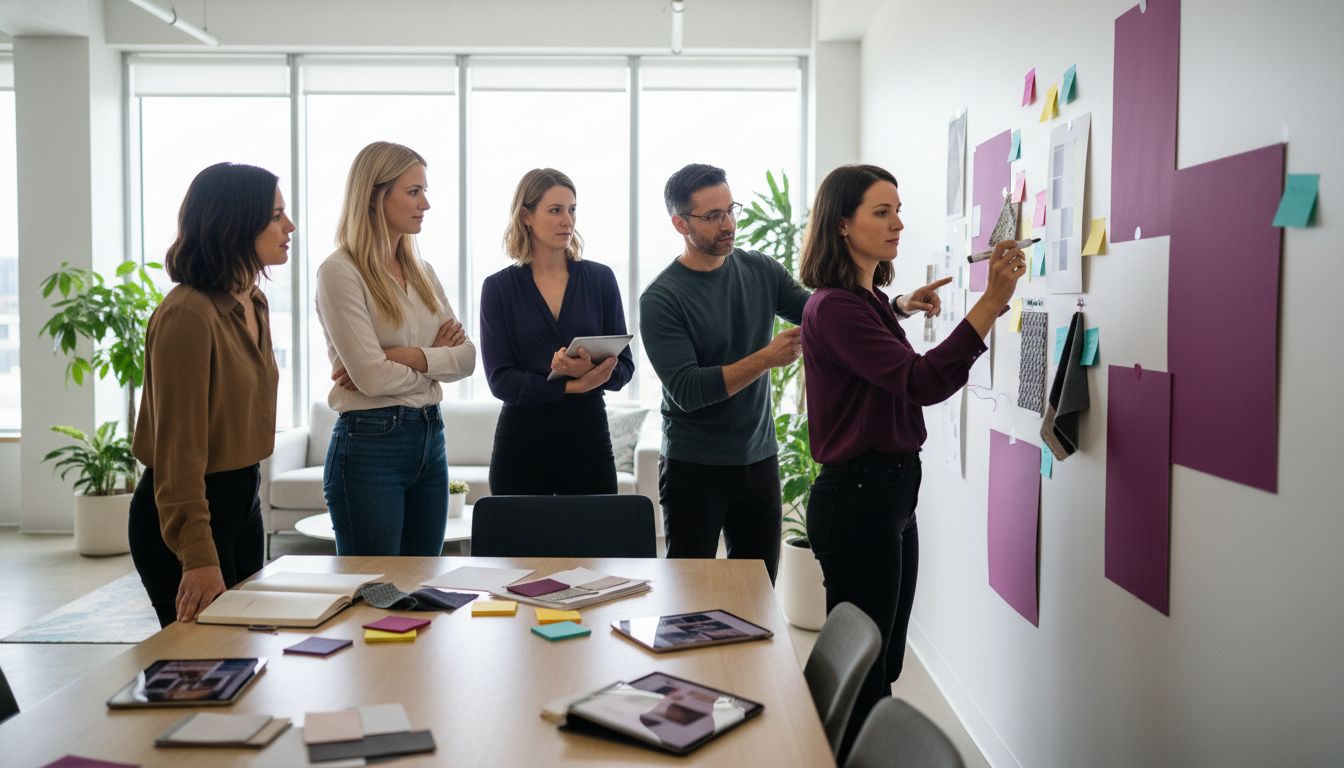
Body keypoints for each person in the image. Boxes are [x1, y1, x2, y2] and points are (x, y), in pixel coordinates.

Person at [798, 163, 1025, 757]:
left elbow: (875, 339)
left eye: (898, 209)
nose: (899, 222)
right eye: (882, 212)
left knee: (886, 658)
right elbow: (920, 381)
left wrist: (899, 306)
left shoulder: (867, 300)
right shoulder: (836, 307)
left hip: (891, 494)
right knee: (866, 677)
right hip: (859, 499)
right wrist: (991, 303)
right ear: (842, 224)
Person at [129, 162, 293, 627]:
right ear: (235, 222)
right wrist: (198, 555)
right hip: (191, 511)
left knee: (248, 655)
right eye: (276, 215)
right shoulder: (187, 316)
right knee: (201, 667)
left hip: (243, 497)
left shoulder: (252, 300)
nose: (290, 226)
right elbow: (179, 453)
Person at [639, 163, 809, 584]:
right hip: (693, 468)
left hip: (759, 460)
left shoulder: (760, 270)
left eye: (730, 210)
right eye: (713, 216)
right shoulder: (661, 298)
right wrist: (766, 358)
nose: (728, 224)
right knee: (687, 595)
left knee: (758, 591)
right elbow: (688, 389)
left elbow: (820, 312)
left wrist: (894, 305)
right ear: (680, 223)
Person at [316, 141, 475, 556]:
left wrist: (401, 355)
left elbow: (467, 358)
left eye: (424, 191)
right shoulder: (340, 272)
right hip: (370, 445)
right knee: (376, 591)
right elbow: (369, 377)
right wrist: (431, 357)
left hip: (430, 436)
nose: (426, 203)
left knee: (423, 586)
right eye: (414, 191)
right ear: (374, 195)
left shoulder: (423, 273)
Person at [480, 168, 634, 495]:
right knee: (518, 544)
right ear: (526, 216)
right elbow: (500, 379)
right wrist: (572, 387)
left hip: (588, 437)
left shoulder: (601, 279)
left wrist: (590, 369)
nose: (568, 220)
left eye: (572, 209)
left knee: (594, 542)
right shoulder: (498, 288)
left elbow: (625, 369)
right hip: (521, 442)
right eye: (555, 210)